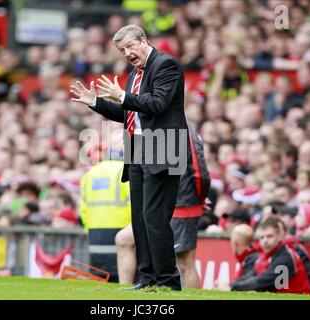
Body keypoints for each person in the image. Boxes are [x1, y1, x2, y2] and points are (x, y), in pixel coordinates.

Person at [70, 24, 189, 291]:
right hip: (136, 150)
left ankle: (168, 282)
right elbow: (130, 114)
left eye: (130, 46)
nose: (127, 53)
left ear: (143, 39)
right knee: (140, 219)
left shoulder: (165, 64)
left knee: (155, 218)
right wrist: (96, 102)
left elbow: (158, 104)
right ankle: (147, 278)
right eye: (122, 50)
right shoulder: (135, 74)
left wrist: (123, 96)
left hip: (164, 148)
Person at [115, 122, 211, 288]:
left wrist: (200, 198)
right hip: (160, 201)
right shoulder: (150, 128)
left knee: (184, 262)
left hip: (182, 204)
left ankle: (191, 296)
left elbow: (199, 170)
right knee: (124, 239)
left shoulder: (185, 130)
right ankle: (128, 288)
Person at [79, 147, 131, 283]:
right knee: (122, 275)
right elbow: (135, 203)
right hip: (123, 230)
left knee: (99, 275)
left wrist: (88, 227)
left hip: (95, 231)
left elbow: (83, 207)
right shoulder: (126, 171)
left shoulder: (89, 174)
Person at [229, 218, 310, 294]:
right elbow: (251, 276)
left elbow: (262, 283)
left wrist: (232, 287)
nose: (265, 241)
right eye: (262, 237)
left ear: (279, 237)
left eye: (269, 236)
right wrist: (232, 284)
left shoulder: (285, 257)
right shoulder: (263, 256)